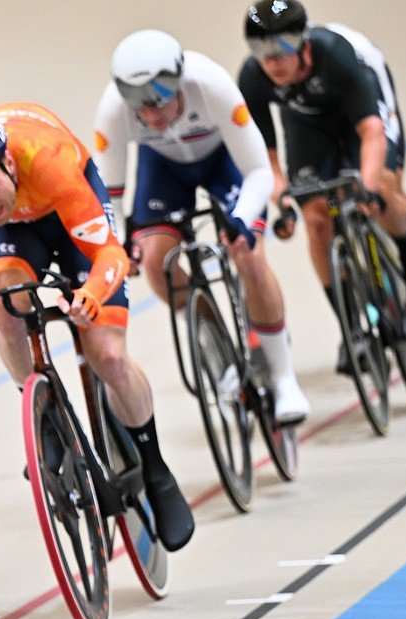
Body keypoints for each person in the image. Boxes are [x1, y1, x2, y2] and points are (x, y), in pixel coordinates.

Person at [0, 103, 195, 551]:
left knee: (106, 353)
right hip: (16, 231)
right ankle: (43, 413)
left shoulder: (47, 162)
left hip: (70, 215)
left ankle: (155, 464)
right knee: (5, 303)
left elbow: (111, 255)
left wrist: (92, 296)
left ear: (7, 163)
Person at [94, 29, 310, 424]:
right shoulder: (113, 109)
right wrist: (121, 241)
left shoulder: (211, 84)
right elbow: (110, 193)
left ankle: (284, 379)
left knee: (248, 255)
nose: (154, 114)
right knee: (158, 262)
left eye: (161, 100)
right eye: (142, 108)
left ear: (179, 83)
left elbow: (259, 171)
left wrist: (242, 220)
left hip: (223, 160)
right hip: (163, 167)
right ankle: (213, 343)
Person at [238, 0, 406, 373]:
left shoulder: (337, 55)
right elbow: (264, 153)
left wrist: (368, 186)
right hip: (308, 122)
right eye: (261, 50)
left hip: (363, 113)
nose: (273, 61)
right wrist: (281, 197)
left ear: (303, 43)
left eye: (282, 47)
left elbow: (372, 131)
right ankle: (351, 327)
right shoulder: (253, 77)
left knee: (381, 188)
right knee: (316, 218)